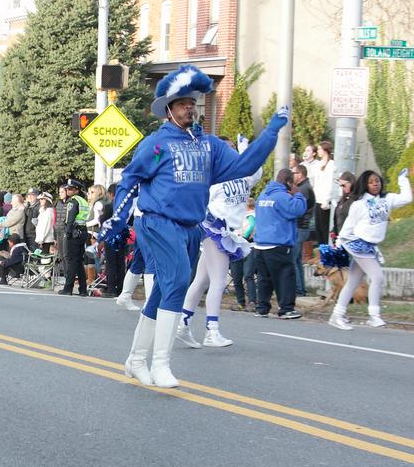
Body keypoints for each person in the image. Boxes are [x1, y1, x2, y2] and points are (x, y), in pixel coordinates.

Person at [100, 64, 288, 388]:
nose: (190, 107)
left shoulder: (209, 145)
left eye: (192, 102)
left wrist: (271, 132)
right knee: (176, 282)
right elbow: (130, 178)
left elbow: (244, 165)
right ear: (169, 109)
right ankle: (161, 364)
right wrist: (117, 219)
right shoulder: (157, 144)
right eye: (183, 102)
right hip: (158, 223)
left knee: (162, 290)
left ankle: (135, 359)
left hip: (191, 227)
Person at [177, 135, 263, 347]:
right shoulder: (213, 178)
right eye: (227, 149)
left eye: (233, 148)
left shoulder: (243, 175)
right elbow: (198, 201)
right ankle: (211, 331)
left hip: (229, 231)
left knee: (202, 280)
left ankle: (182, 324)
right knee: (219, 280)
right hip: (215, 229)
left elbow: (257, 171)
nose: (230, 152)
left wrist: (246, 149)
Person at [329, 168, 411, 330]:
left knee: (353, 281)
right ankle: (374, 315)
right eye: (371, 182)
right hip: (357, 244)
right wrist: (338, 243)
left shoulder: (387, 199)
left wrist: (403, 179)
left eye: (377, 181)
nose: (375, 185)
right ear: (365, 185)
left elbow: (407, 198)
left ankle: (337, 315)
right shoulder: (359, 204)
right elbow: (348, 226)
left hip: (370, 247)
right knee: (378, 277)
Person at [253, 168, 308, 319]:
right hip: (277, 243)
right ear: (289, 182)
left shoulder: (263, 195)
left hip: (260, 244)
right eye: (292, 183)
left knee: (265, 279)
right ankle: (286, 309)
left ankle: (262, 308)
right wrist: (298, 194)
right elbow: (297, 209)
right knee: (285, 276)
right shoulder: (281, 196)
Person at [57, 179, 89, 296]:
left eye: (70, 189)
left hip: (73, 233)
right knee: (78, 262)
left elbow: (70, 219)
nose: (68, 191)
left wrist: (67, 233)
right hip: (82, 231)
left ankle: (68, 288)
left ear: (77, 190)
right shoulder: (83, 200)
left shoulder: (73, 201)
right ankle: (83, 289)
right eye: (67, 189)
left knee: (71, 261)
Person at [228, 196, 258, 312]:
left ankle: (252, 302)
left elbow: (250, 226)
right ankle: (241, 302)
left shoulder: (251, 215)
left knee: (248, 275)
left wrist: (244, 237)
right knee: (236, 276)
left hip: (249, 247)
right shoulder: (238, 216)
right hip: (236, 248)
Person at [290, 165, 316, 297]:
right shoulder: (305, 187)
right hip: (303, 227)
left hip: (301, 226)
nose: (292, 176)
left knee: (293, 260)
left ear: (300, 174)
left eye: (293, 173)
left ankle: (298, 289)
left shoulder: (303, 189)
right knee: (298, 260)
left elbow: (299, 208)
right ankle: (301, 288)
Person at [101, 184, 126, 297]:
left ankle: (111, 289)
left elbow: (103, 221)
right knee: (120, 263)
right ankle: (120, 288)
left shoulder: (108, 207)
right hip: (122, 237)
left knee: (111, 263)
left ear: (111, 194)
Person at [311, 140, 336, 245]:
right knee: (318, 229)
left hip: (325, 201)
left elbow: (330, 183)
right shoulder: (318, 165)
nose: (318, 152)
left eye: (320, 149)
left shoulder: (332, 164)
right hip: (317, 199)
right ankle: (322, 253)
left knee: (325, 228)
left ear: (325, 150)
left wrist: (327, 199)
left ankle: (327, 252)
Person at [332, 171, 357, 237]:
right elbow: (338, 217)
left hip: (351, 237)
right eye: (341, 186)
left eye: (344, 185)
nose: (342, 188)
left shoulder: (356, 200)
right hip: (340, 236)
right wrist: (334, 231)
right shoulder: (343, 199)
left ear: (351, 183)